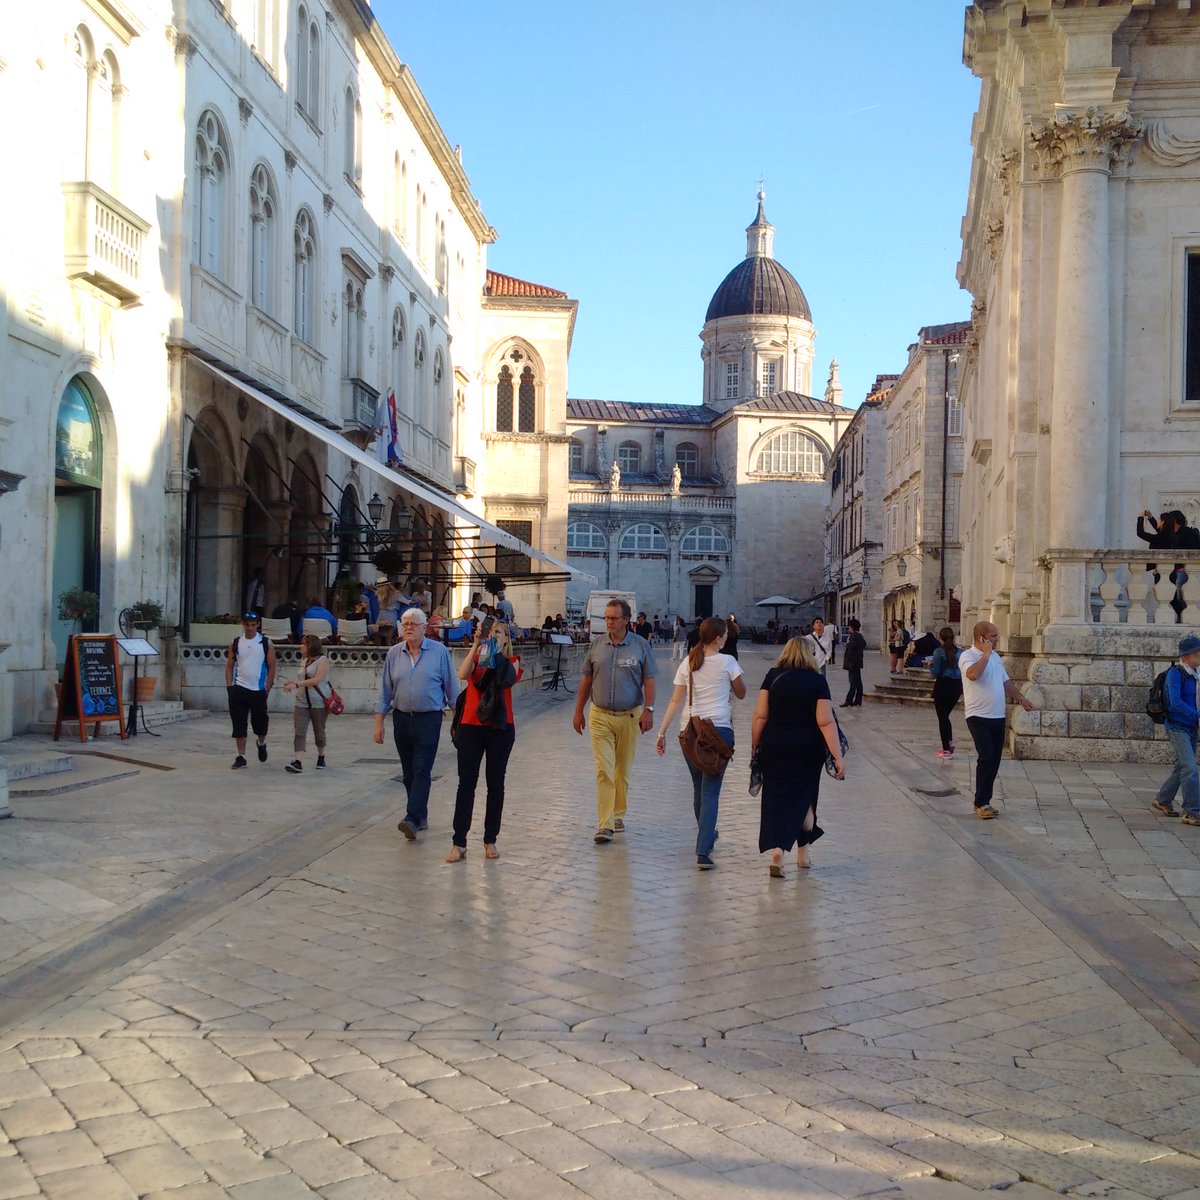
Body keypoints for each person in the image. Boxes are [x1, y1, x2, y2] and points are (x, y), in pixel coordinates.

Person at [655, 617, 746, 869]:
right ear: (718, 638)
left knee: (699, 788)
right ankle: (703, 850)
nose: (727, 637)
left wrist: (662, 732)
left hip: (690, 731)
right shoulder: (728, 661)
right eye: (726, 634)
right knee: (710, 792)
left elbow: (675, 700)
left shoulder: (688, 661)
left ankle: (706, 833)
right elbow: (741, 692)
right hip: (718, 732)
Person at [751, 637, 844, 877]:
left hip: (775, 745)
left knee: (775, 797)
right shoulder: (817, 681)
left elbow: (760, 716)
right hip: (806, 748)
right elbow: (825, 720)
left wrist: (755, 745)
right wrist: (837, 756)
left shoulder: (772, 676)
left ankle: (779, 852)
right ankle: (803, 851)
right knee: (805, 795)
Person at [572, 598, 657, 844]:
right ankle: (605, 824)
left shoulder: (640, 646)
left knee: (622, 771)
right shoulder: (597, 646)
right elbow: (586, 680)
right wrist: (579, 711)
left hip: (630, 715)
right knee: (604, 770)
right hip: (600, 716)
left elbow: (650, 679)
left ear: (626, 620)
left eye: (614, 618)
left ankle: (618, 813)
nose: (609, 622)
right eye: (607, 618)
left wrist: (649, 710)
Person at [373, 608, 459, 840]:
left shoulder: (439, 652)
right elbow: (385, 690)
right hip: (401, 719)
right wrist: (379, 722)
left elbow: (452, 688)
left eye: (414, 623)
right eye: (406, 623)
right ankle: (420, 816)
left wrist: (458, 720)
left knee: (422, 769)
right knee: (409, 773)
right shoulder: (393, 654)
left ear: (424, 628)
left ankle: (412, 818)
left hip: (429, 719)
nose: (409, 627)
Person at [446, 620, 523, 862]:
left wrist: (496, 649)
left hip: (500, 728)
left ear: (507, 639)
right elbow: (462, 674)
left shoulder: (513, 661)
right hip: (471, 726)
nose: (493, 634)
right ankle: (459, 842)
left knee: (495, 784)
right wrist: (477, 644)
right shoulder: (477, 658)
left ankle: (491, 840)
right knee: (466, 784)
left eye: (498, 632)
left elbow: (505, 679)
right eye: (490, 631)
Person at [959, 621, 1036, 819]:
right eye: (993, 636)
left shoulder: (995, 658)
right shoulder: (968, 656)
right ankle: (980, 802)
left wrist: (1022, 698)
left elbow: (1006, 683)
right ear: (982, 638)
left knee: (994, 760)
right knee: (986, 757)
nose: (996, 639)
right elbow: (973, 675)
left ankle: (986, 800)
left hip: (997, 716)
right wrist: (985, 653)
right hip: (978, 716)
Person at [1152, 635, 1200, 823]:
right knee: (1190, 768)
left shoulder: (1196, 674)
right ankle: (1192, 811)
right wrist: (1197, 715)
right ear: (1187, 655)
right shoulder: (1175, 673)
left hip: (1191, 727)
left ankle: (1163, 799)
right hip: (1177, 726)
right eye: (1198, 653)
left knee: (1181, 765)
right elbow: (1175, 703)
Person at [225, 612, 276, 769]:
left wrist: (267, 686)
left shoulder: (266, 643)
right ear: (243, 625)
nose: (250, 628)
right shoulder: (236, 643)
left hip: (258, 689)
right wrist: (229, 687)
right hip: (239, 687)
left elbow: (272, 666)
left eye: (253, 625)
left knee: (260, 722)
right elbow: (229, 665)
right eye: (247, 625)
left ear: (257, 625)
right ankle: (241, 756)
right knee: (239, 724)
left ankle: (261, 743)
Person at [282, 633, 331, 773]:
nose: (301, 646)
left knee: (319, 732)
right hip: (302, 701)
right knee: (299, 731)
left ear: (311, 646)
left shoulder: (322, 660)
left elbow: (317, 680)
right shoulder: (304, 661)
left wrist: (296, 684)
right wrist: (292, 683)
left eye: (303, 644)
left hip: (319, 702)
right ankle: (298, 761)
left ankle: (321, 756)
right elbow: (302, 678)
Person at [929, 626, 963, 759]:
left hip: (942, 685)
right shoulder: (960, 652)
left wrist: (931, 665)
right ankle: (949, 741)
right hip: (956, 686)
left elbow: (936, 672)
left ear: (940, 638)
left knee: (942, 717)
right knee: (946, 715)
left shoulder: (939, 652)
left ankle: (946, 750)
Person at [840, 618, 865, 707]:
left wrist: (848, 643)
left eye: (849, 627)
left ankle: (849, 700)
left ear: (852, 627)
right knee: (858, 681)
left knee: (853, 682)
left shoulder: (854, 636)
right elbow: (863, 644)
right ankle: (858, 699)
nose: (848, 629)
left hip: (852, 663)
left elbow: (852, 646)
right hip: (857, 662)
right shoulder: (860, 636)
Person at [375, 579, 403, 645]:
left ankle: (377, 652)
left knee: (378, 634)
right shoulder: (396, 594)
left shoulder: (379, 594)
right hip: (391, 616)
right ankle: (389, 652)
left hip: (382, 616)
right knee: (388, 638)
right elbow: (407, 601)